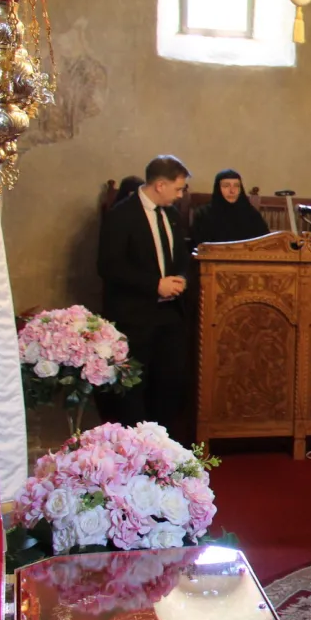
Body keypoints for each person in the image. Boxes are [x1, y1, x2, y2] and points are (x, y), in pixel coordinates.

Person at [97, 155, 193, 436]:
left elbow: (182, 257)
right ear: (160, 185)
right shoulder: (121, 215)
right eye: (178, 188)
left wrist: (182, 278)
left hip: (170, 315)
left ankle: (163, 444)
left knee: (170, 381)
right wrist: (155, 285)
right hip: (134, 316)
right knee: (134, 386)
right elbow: (109, 266)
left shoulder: (171, 215)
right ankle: (135, 444)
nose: (180, 195)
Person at [191, 169, 269, 244]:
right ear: (218, 188)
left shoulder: (252, 214)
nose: (232, 191)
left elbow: (265, 243)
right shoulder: (204, 214)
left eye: (237, 186)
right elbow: (199, 246)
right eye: (226, 186)